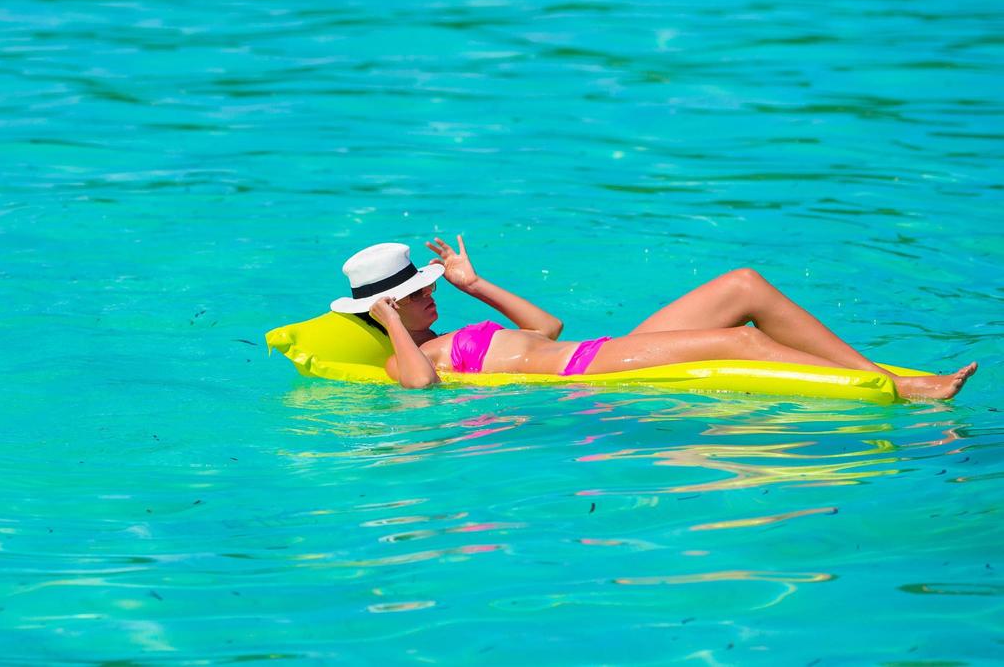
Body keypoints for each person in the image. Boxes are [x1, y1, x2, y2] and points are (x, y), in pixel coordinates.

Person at [330, 237, 976, 400]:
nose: (430, 295)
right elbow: (418, 391)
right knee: (740, 341)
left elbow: (548, 327)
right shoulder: (408, 357)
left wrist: (476, 286)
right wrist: (391, 324)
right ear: (385, 306)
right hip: (591, 374)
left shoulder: (446, 335)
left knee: (742, 285)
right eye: (417, 293)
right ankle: (899, 388)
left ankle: (868, 370)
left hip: (598, 348)